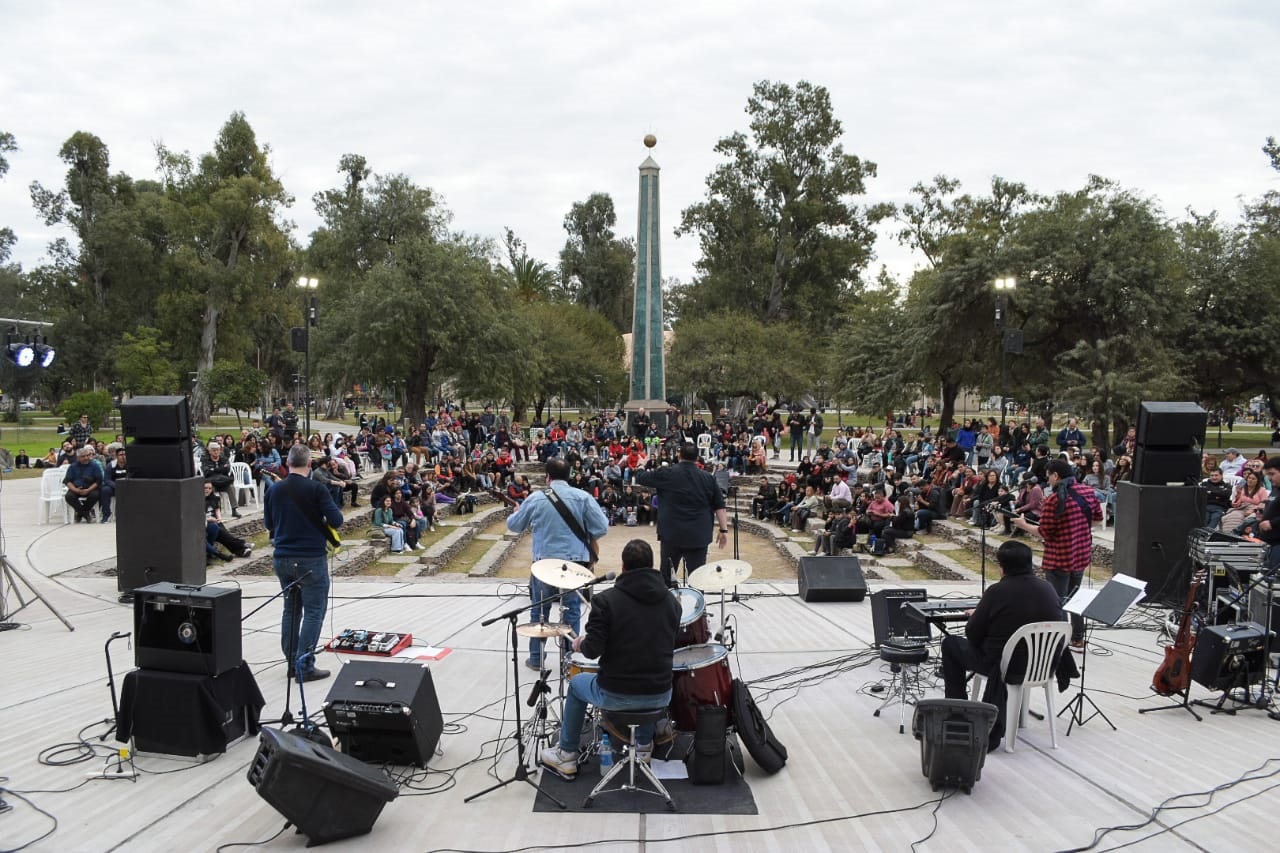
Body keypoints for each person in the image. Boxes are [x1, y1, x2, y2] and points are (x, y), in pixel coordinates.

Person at [540, 539, 680, 779]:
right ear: (651, 566)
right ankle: (644, 746)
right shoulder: (673, 604)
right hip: (661, 695)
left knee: (577, 684)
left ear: (623, 567)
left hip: (616, 694)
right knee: (647, 675)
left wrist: (581, 643)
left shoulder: (605, 601)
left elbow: (592, 651)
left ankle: (566, 755)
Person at [940, 540, 1067, 751]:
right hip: (1041, 666)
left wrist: (980, 614)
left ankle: (958, 711)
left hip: (1003, 666)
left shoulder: (997, 591)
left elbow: (973, 634)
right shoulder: (1048, 588)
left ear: (1002, 567)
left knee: (951, 644)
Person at [506, 457, 609, 670]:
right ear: (569, 476)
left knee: (540, 612)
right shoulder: (583, 497)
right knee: (571, 609)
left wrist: (516, 512)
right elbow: (601, 527)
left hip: (543, 564)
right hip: (574, 563)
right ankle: (570, 659)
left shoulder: (536, 498)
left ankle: (536, 658)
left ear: (548, 477)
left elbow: (515, 526)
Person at [262, 444, 344, 683]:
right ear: (309, 464)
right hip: (310, 559)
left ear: (287, 463)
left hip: (282, 558)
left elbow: (269, 525)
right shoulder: (317, 489)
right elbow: (336, 520)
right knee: (314, 612)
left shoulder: (274, 490)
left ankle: (291, 662)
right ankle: (304, 665)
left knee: (291, 610)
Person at [1013, 458, 1101, 649]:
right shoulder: (1088, 491)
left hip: (1058, 557)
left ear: (1056, 475)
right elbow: (1096, 519)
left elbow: (1044, 532)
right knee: (1074, 597)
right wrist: (1077, 530)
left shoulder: (1053, 500)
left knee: (1057, 601)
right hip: (1080, 554)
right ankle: (1078, 638)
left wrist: (1023, 524)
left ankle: (1059, 642)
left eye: (1048, 476)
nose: (1047, 480)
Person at [634, 443, 729, 587]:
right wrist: (723, 530)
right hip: (698, 535)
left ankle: (667, 600)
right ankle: (697, 601)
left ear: (679, 456)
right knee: (697, 580)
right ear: (697, 458)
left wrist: (641, 465)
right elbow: (720, 506)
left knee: (666, 577)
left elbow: (641, 477)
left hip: (671, 535)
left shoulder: (666, 473)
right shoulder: (708, 478)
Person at [63, 446, 103, 522]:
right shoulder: (73, 466)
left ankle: (80, 514)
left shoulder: (95, 465)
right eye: (83, 456)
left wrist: (88, 490)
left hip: (91, 488)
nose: (86, 458)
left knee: (95, 495)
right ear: (78, 457)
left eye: (87, 455)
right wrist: (75, 490)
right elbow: (67, 481)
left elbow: (98, 481)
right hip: (76, 488)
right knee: (69, 496)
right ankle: (86, 514)